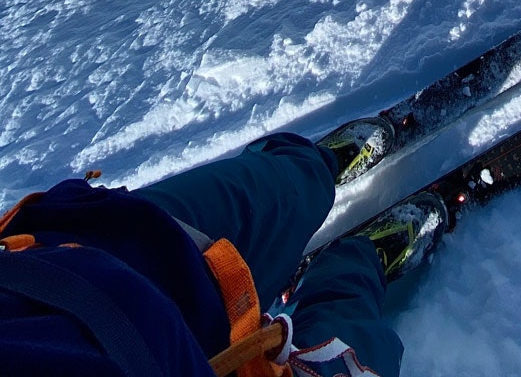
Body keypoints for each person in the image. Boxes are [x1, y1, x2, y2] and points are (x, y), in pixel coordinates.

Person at [0, 123, 440, 376]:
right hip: (214, 354)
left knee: (270, 188)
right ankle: (364, 258)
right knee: (354, 344)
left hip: (105, 238)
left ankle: (316, 169)